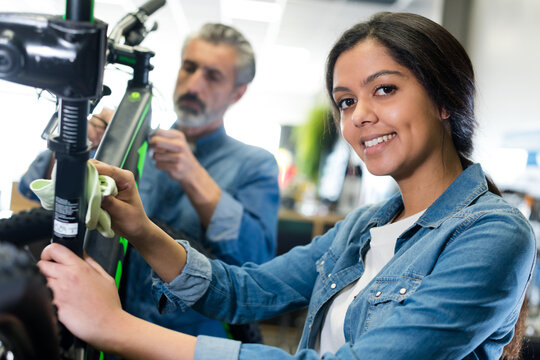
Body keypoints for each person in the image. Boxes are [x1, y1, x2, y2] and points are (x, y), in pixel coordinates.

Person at [38, 12, 536, 360]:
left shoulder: (494, 235)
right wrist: (143, 230)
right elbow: (246, 291)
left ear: (445, 99)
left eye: (384, 89)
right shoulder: (365, 227)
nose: (360, 116)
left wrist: (118, 329)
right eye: (345, 101)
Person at [123, 23, 280, 338]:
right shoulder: (132, 144)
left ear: (238, 92)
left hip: (191, 345)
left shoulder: (255, 165)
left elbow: (257, 262)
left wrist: (194, 176)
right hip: (111, 333)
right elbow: (37, 194)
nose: (194, 85)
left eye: (213, 76)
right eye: (189, 68)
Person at [18, 107, 114, 201]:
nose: (100, 133)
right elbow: (26, 188)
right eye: (101, 127)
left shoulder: (103, 158)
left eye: (106, 130)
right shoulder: (47, 156)